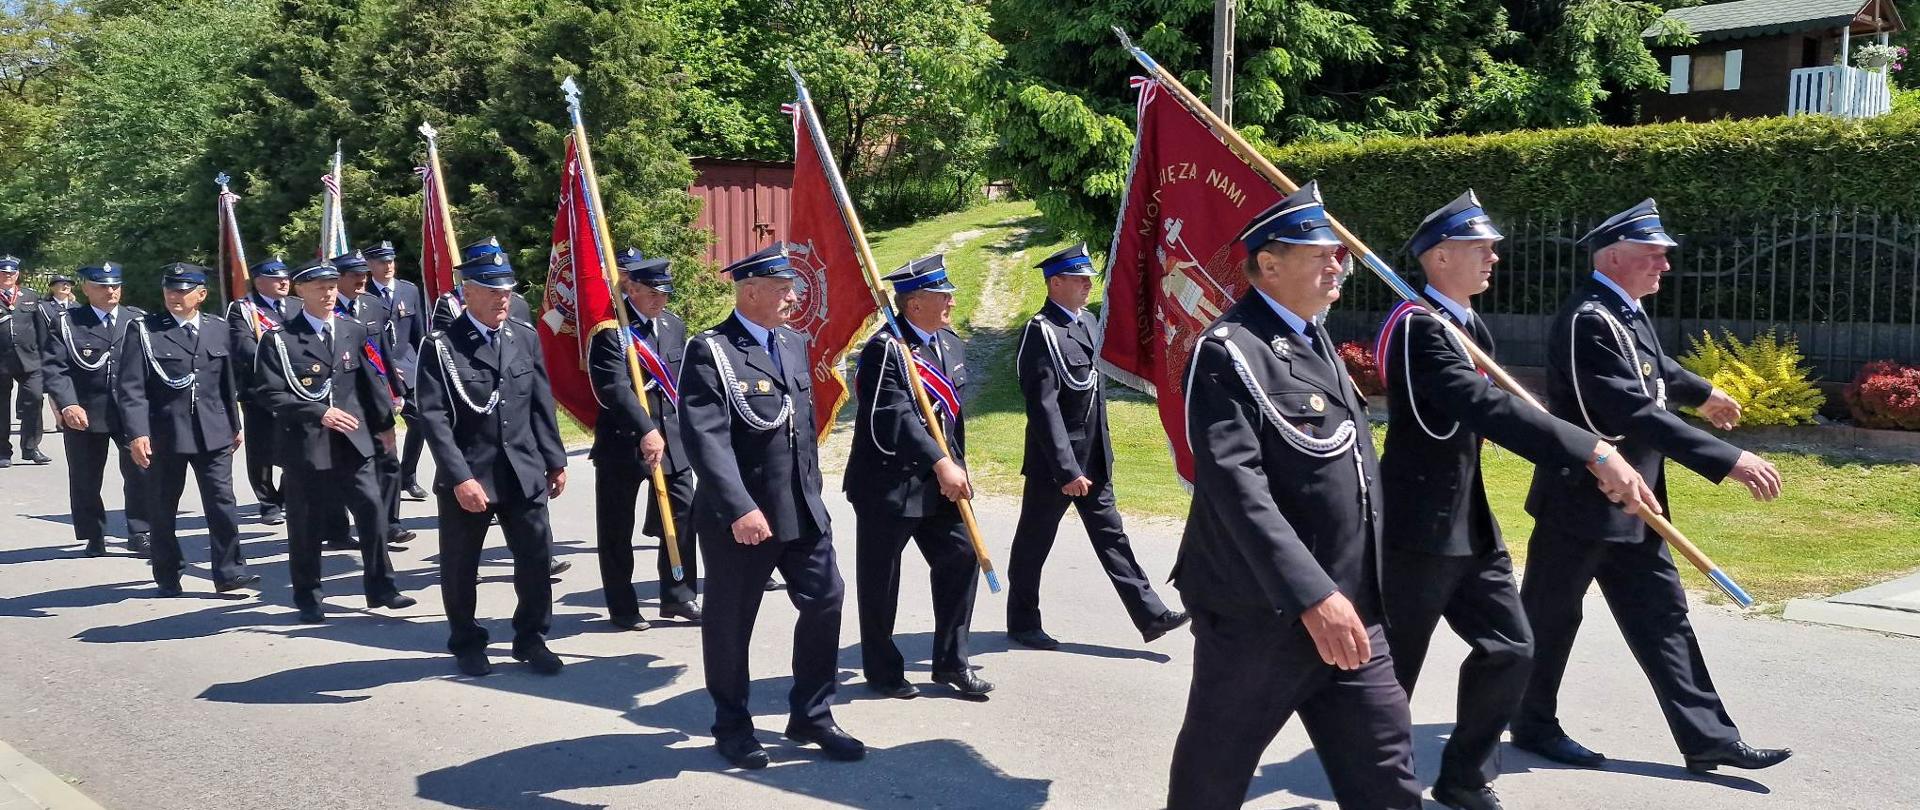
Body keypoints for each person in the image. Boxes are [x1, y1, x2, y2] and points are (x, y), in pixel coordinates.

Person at [1375, 191, 1659, 810]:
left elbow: (1498, 407)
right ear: (1440, 257)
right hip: (1419, 526)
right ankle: (1374, 787)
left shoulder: (1463, 324)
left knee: (1513, 648)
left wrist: (1588, 450)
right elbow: (1484, 407)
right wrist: (1593, 451)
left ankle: (1464, 777)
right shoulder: (1418, 328)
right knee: (1392, 673)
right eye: (1482, 248)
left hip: (1471, 525)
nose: (1494, 258)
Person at [1514, 199, 1792, 775]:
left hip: (1638, 501)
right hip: (1584, 499)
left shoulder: (1624, 309)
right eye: (1654, 256)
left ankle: (1708, 737)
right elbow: (1625, 408)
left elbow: (1657, 368)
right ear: (1614, 257)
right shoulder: (1588, 318)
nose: (1664, 266)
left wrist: (1704, 392)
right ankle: (1531, 722)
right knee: (1551, 615)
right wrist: (1728, 459)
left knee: (1663, 614)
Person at [1166, 182, 1421, 810]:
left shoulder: (1317, 341)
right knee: (1215, 773)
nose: (1340, 262)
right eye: (1321, 253)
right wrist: (1313, 597)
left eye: (1340, 253)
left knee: (1388, 772)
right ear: (1269, 264)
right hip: (1263, 616)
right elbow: (1237, 489)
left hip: (1354, 609)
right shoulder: (1230, 352)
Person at [680, 242, 862, 769]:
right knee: (732, 621)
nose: (793, 296)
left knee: (826, 598)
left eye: (793, 287)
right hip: (741, 518)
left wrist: (814, 499)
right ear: (751, 291)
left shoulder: (791, 342)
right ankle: (732, 724)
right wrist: (739, 507)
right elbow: (706, 439)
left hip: (800, 508)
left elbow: (799, 430)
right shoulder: (711, 350)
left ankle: (812, 712)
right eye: (784, 288)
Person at [1006, 243, 1186, 650]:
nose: (1088, 284)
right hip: (1058, 466)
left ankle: (1151, 614)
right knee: (1034, 542)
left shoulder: (1087, 323)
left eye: (1089, 278)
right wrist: (1067, 470)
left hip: (1094, 457)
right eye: (1079, 278)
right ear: (1055, 283)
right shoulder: (1040, 333)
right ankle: (1022, 621)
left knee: (1113, 537)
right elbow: (1044, 408)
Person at [414, 239, 569, 677]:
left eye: (507, 290)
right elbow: (434, 418)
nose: (504, 298)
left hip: (522, 469)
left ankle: (531, 637)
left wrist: (555, 460)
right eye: (492, 290)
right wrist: (460, 477)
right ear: (468, 292)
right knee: (462, 566)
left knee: (536, 559)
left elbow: (541, 402)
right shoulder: (442, 345)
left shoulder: (523, 336)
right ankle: (466, 640)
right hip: (471, 474)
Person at [846, 254, 990, 700]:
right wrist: (939, 461)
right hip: (888, 483)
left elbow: (950, 419)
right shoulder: (884, 350)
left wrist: (958, 465)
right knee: (881, 580)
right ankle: (883, 669)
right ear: (913, 304)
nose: (949, 301)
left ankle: (951, 662)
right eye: (940, 294)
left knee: (962, 557)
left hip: (938, 484)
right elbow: (895, 416)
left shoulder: (949, 344)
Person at [257, 259, 417, 623]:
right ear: (300, 292)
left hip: (353, 442)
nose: (328, 294)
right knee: (306, 525)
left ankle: (382, 588)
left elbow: (369, 380)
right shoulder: (280, 340)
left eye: (331, 287)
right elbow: (269, 394)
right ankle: (309, 596)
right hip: (306, 445)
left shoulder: (351, 329)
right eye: (319, 288)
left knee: (373, 512)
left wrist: (384, 424)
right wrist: (318, 413)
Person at [117, 263, 258, 597]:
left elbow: (228, 382)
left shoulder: (217, 328)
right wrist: (137, 434)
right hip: (164, 433)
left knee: (222, 502)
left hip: (213, 431)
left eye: (183, 290)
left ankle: (229, 571)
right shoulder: (145, 330)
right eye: (170, 289)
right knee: (163, 506)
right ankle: (167, 573)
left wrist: (235, 425)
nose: (175, 296)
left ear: (201, 294)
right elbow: (131, 387)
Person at [589, 248, 700, 630]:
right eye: (652, 293)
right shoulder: (609, 332)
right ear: (631, 288)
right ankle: (622, 605)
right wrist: (645, 430)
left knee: (683, 517)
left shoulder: (673, 326)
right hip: (624, 442)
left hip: (671, 441)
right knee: (617, 527)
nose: (659, 300)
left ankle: (679, 594)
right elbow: (614, 389)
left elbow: (681, 383)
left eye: (665, 294)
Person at [42, 263, 150, 557]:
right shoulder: (68, 322)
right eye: (102, 286)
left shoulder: (136, 320)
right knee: (86, 476)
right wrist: (68, 404)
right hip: (86, 410)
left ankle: (140, 530)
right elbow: (55, 368)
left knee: (141, 471)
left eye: (115, 285)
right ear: (86, 288)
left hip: (129, 411)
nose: (110, 291)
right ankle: (94, 533)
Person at [330, 250, 414, 548]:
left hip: (376, 396)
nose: (361, 280)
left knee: (389, 459)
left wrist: (396, 390)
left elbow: (384, 352)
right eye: (353, 275)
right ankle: (337, 529)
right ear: (336, 278)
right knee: (344, 466)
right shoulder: (326, 311)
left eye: (363, 274)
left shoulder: (371, 305)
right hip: (344, 400)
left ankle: (391, 524)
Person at [227, 257, 299, 526]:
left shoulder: (297, 305)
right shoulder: (243, 310)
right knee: (261, 449)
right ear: (258, 282)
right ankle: (267, 501)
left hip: (295, 388)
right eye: (276, 278)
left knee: (296, 443)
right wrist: (279, 361)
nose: (284, 282)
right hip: (259, 388)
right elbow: (243, 347)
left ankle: (288, 494)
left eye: (285, 277)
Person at [360, 240, 431, 503]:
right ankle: (381, 481)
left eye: (390, 260)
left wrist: (421, 367)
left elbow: (418, 334)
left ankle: (408, 476)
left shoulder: (408, 290)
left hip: (408, 371)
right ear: (369, 265)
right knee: (379, 430)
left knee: (420, 423)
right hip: (376, 372)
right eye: (381, 261)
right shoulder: (362, 293)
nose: (388, 266)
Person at [0, 255, 51, 467]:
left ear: (18, 274)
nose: (8, 276)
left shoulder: (29, 296)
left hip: (30, 359)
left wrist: (45, 357)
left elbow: (41, 329)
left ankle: (31, 447)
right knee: (1, 407)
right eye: (4, 272)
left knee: (34, 399)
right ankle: (3, 451)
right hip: (2, 361)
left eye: (11, 273)